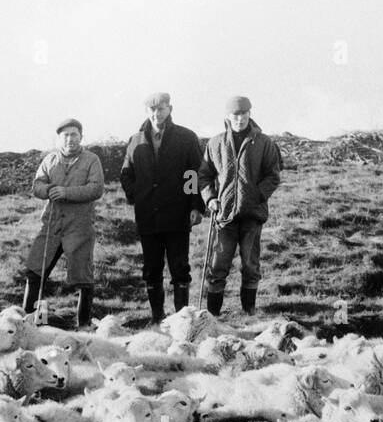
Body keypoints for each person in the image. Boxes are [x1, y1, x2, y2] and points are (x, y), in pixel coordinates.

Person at [119, 91, 205, 323]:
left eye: (162, 108)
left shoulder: (186, 137)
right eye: (152, 110)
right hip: (148, 216)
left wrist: (194, 206)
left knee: (180, 268)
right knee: (152, 269)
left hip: (177, 215)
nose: (157, 114)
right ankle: (158, 318)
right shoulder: (136, 140)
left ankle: (182, 319)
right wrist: (137, 194)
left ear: (170, 109)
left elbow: (192, 174)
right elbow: (127, 173)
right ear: (147, 112)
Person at [197, 95, 283, 316]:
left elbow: (273, 176)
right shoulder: (215, 143)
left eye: (244, 114)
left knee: (250, 266)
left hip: (252, 216)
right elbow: (204, 176)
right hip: (224, 216)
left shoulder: (264, 143)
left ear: (249, 114)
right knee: (217, 267)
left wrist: (256, 196)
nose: (240, 118)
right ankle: (212, 316)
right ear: (228, 116)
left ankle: (249, 314)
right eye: (235, 115)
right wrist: (210, 198)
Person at [23, 119, 105, 329]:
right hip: (51, 225)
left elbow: (96, 188)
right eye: (65, 135)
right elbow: (37, 185)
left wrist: (67, 192)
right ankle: (34, 323)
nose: (70, 139)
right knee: (36, 273)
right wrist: (48, 189)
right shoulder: (50, 159)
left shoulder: (91, 160)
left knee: (83, 278)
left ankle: (83, 325)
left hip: (79, 226)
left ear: (81, 136)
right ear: (59, 138)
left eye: (74, 134)